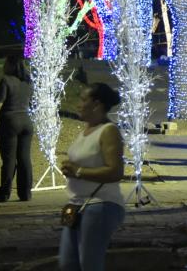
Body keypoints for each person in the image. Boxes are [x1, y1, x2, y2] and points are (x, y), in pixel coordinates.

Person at [58, 83, 125, 271]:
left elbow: (115, 171)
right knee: (67, 264)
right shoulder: (85, 131)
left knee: (89, 264)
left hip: (100, 204)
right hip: (77, 204)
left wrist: (78, 171)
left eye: (83, 100)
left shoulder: (108, 131)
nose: (78, 104)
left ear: (96, 104)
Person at [0, 54, 34, 202]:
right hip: (26, 122)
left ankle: (4, 194)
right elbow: (30, 102)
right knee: (24, 159)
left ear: (12, 65)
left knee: (9, 160)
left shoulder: (6, 81)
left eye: (5, 64)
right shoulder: (28, 82)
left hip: (9, 123)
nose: (3, 66)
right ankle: (25, 193)